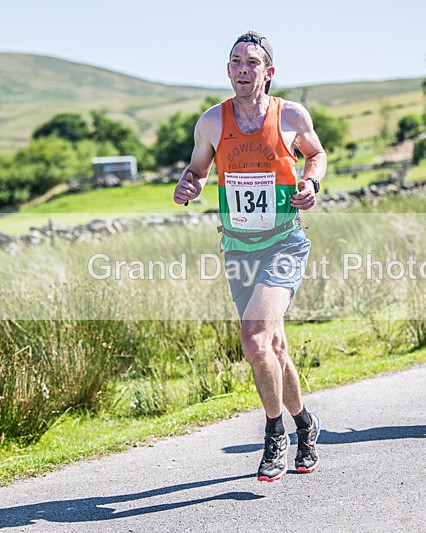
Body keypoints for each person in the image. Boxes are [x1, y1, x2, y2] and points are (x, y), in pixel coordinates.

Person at [173, 31, 326, 481]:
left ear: (268, 72)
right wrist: (189, 185)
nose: (243, 68)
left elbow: (315, 156)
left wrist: (311, 183)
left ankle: (274, 433)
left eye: (252, 62)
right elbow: (197, 170)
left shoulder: (290, 116)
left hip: (283, 242)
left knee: (255, 338)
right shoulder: (211, 122)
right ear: (228, 70)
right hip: (238, 249)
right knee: (273, 347)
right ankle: (305, 423)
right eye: (236, 61)